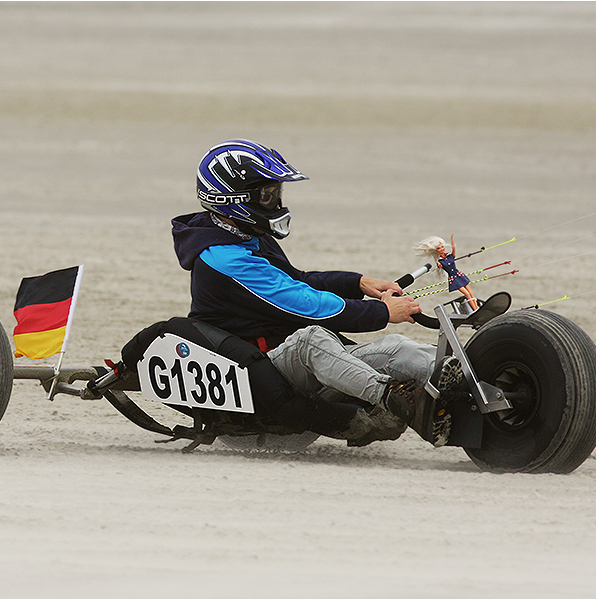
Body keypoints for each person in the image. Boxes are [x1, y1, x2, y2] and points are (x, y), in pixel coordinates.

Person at [171, 139, 462, 446]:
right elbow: (305, 304)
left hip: (288, 378)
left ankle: (479, 378)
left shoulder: (243, 235)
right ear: (234, 200)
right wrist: (383, 313)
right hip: (260, 407)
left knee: (396, 348)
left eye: (277, 194)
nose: (278, 204)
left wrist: (359, 283)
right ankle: (399, 401)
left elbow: (297, 280)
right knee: (312, 338)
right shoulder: (223, 259)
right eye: (268, 196)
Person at [415, 234, 479, 311]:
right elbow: (439, 265)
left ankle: (477, 308)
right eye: (439, 248)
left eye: (442, 247)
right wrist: (438, 265)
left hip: (459, 275)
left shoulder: (450, 257)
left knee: (471, 293)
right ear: (436, 250)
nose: (442, 249)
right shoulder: (440, 261)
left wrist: (452, 239)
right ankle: (475, 310)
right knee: (467, 294)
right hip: (454, 279)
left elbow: (454, 248)